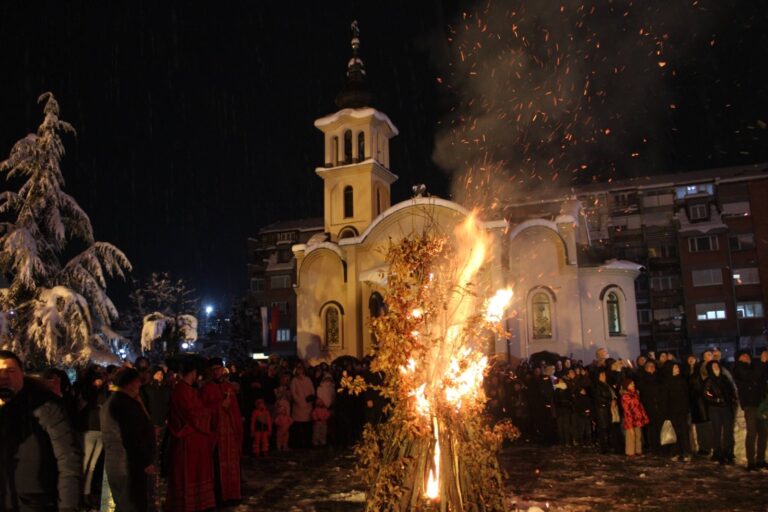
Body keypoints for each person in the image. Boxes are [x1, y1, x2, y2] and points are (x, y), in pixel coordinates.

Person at [0, 350, 82, 512]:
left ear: (22, 373)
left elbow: (68, 458)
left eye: (10, 371)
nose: (4, 377)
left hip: (34, 502)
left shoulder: (45, 406)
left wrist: (68, 506)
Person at [100, 368, 156, 512]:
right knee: (132, 504)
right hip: (129, 465)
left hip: (119, 464)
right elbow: (132, 437)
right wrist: (146, 461)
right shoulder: (124, 404)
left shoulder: (116, 402)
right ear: (129, 383)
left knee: (125, 504)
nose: (139, 385)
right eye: (137, 381)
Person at [165, 360, 215, 512]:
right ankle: (188, 504)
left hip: (196, 439)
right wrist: (209, 411)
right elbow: (193, 416)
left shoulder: (188, 390)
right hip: (188, 440)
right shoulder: (182, 390)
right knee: (189, 474)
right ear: (193, 373)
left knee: (197, 473)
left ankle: (198, 503)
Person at [201, 358, 243, 505]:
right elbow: (204, 412)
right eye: (213, 369)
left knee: (232, 463)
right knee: (217, 465)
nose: (216, 371)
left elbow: (235, 410)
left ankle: (233, 494)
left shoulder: (229, 387)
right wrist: (220, 405)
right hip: (217, 433)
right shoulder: (207, 389)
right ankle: (220, 496)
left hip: (230, 432)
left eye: (218, 368)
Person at [732, 349, 768, 471]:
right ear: (738, 359)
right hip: (750, 405)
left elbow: (762, 378)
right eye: (742, 355)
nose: (746, 356)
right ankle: (751, 462)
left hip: (760, 405)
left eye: (747, 355)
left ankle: (761, 460)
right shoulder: (738, 369)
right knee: (752, 433)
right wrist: (763, 363)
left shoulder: (755, 367)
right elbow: (750, 377)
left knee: (763, 433)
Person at [703, 360, 736, 465]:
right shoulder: (709, 380)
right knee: (716, 431)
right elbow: (706, 395)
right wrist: (716, 400)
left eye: (717, 365)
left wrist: (731, 400)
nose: (716, 367)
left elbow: (731, 391)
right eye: (713, 366)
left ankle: (728, 453)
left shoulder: (725, 379)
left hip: (726, 408)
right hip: (715, 409)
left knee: (728, 431)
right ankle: (717, 453)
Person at [663, 362, 692, 461]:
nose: (677, 369)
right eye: (675, 367)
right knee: (674, 433)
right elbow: (665, 399)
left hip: (682, 410)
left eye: (677, 367)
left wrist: (687, 407)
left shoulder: (682, 380)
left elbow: (686, 395)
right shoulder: (666, 382)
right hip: (672, 411)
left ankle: (686, 452)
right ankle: (675, 453)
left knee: (684, 432)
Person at [620, 378, 649, 457]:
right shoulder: (625, 396)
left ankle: (638, 450)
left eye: (633, 383)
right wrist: (629, 422)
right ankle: (630, 452)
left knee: (638, 435)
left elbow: (640, 406)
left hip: (637, 418)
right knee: (631, 435)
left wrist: (644, 416)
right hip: (630, 418)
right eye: (631, 384)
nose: (633, 385)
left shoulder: (635, 394)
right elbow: (627, 411)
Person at [289, 365, 315, 449]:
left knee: (307, 426)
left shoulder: (308, 379)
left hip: (308, 405)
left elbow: (312, 389)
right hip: (298, 406)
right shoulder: (294, 380)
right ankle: (298, 444)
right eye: (298, 369)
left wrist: (311, 398)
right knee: (298, 426)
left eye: (301, 369)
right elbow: (293, 393)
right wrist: (299, 401)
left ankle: (307, 443)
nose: (300, 371)